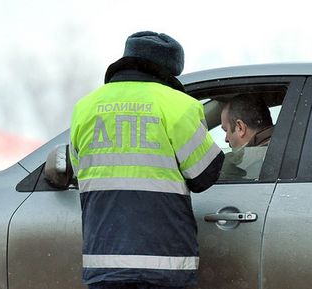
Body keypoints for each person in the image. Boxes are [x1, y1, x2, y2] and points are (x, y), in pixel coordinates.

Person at [68, 31, 224, 289]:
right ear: (170, 72)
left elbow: (78, 172)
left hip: (105, 261)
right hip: (165, 263)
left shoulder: (85, 108)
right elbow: (205, 174)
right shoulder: (178, 106)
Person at [219, 95, 274, 179]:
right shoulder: (285, 146)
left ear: (240, 127)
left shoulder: (252, 164)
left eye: (226, 130)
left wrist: (223, 169)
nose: (226, 139)